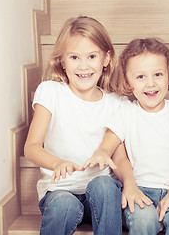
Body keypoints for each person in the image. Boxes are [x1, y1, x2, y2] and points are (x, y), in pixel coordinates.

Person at [84, 38, 169, 235]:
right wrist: (101, 153)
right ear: (128, 82)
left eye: (158, 74)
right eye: (140, 77)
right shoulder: (124, 113)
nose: (151, 83)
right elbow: (106, 147)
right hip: (138, 191)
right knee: (144, 220)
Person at [24, 16, 124, 235]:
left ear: (106, 59)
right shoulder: (51, 92)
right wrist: (57, 162)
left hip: (100, 195)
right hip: (59, 192)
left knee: (105, 186)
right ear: (62, 61)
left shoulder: (116, 104)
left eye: (91, 56)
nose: (84, 65)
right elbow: (31, 147)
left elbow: (120, 157)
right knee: (64, 205)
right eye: (74, 57)